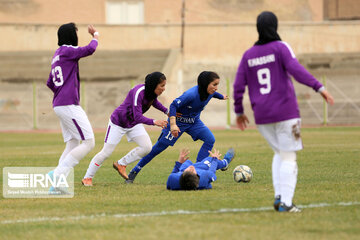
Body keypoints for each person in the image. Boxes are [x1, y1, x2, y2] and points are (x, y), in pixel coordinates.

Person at [233, 11, 334, 212]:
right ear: (275, 26)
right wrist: (319, 87)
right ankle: (286, 204)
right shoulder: (280, 47)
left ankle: (280, 198)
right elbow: (295, 70)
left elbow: (238, 85)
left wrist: (238, 111)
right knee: (289, 156)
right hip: (286, 113)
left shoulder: (248, 55)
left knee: (279, 152)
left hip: (262, 116)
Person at [125, 71, 228, 183]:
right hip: (177, 122)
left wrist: (221, 96)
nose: (216, 88)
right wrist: (173, 124)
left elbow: (214, 94)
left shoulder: (210, 92)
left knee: (210, 139)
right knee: (158, 148)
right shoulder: (191, 94)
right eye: (214, 84)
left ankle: (198, 169)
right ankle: (135, 171)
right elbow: (174, 105)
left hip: (194, 122)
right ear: (204, 84)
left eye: (217, 84)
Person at [82, 72, 168, 186]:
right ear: (153, 85)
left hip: (133, 124)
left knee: (147, 147)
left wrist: (167, 111)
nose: (164, 88)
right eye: (162, 85)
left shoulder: (151, 92)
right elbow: (138, 116)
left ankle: (121, 164)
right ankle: (87, 178)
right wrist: (154, 122)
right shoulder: (139, 92)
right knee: (106, 152)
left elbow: (154, 102)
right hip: (118, 123)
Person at [46, 23, 99, 187]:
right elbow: (89, 49)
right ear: (71, 36)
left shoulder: (57, 54)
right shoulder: (68, 50)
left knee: (73, 143)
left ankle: (59, 181)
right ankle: (57, 174)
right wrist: (95, 35)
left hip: (59, 104)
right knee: (89, 142)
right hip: (68, 104)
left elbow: (50, 82)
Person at [167, 148, 235, 190]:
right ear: (197, 176)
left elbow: (174, 174)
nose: (191, 168)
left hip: (183, 168)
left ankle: (185, 169)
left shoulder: (173, 179)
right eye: (192, 171)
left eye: (188, 171)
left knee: (187, 162)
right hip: (201, 168)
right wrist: (214, 159)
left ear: (182, 175)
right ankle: (225, 162)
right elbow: (212, 171)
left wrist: (179, 163)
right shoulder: (205, 177)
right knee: (209, 160)